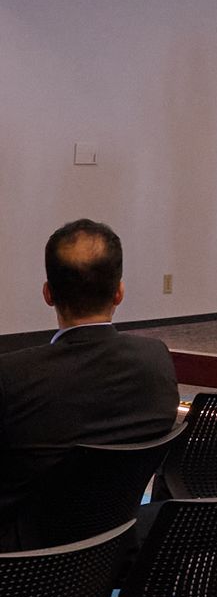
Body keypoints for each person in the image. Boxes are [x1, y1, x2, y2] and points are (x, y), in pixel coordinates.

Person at [0, 220, 179, 544]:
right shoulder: (156, 361)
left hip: (23, 562)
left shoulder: (12, 376)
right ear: (119, 292)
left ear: (48, 293)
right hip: (118, 544)